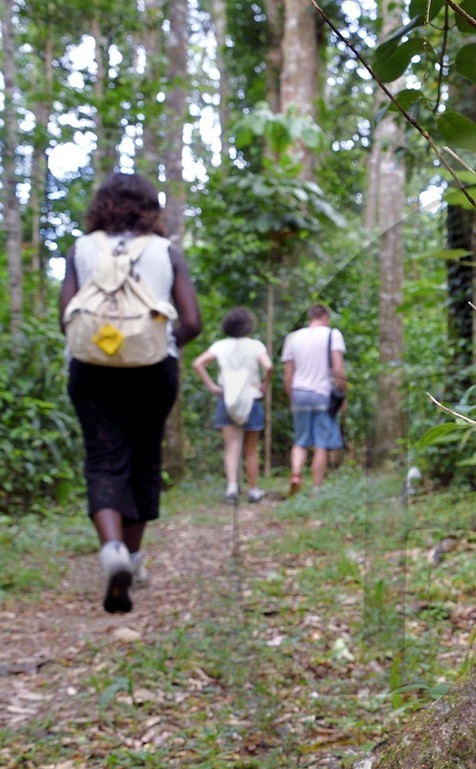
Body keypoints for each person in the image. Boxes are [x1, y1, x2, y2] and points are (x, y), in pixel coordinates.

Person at [58, 172, 202, 613]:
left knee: (104, 459)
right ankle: (135, 561)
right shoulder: (165, 251)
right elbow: (193, 322)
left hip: (91, 369)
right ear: (151, 208)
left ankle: (112, 552)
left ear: (101, 205)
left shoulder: (82, 249)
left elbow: (66, 314)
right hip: (153, 369)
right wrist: (159, 342)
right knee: (144, 459)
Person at [192, 308, 272, 505]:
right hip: (251, 398)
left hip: (227, 398)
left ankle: (231, 488)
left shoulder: (220, 346)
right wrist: (265, 386)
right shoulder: (255, 346)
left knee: (232, 446)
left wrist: (212, 386)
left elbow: (198, 363)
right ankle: (253, 490)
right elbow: (269, 366)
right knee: (251, 448)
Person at [281, 303, 347, 494]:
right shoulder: (332, 334)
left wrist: (291, 396)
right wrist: (343, 394)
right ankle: (316, 489)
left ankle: (295, 474)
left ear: (310, 318)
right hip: (323, 393)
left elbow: (288, 375)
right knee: (321, 444)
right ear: (325, 317)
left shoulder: (292, 337)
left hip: (299, 392)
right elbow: (338, 369)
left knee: (300, 440)